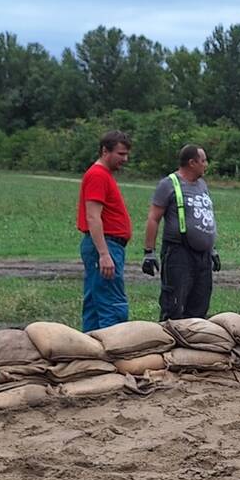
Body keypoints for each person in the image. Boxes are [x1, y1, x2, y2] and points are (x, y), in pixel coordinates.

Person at [141, 145, 219, 320]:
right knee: (174, 304)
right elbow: (153, 218)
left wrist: (212, 248)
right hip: (178, 253)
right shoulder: (168, 184)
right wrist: (149, 252)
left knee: (200, 305)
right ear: (192, 163)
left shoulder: (202, 185)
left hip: (203, 256)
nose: (206, 164)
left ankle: (192, 345)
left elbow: (206, 216)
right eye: (204, 160)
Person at [77, 130, 133, 332]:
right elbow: (93, 216)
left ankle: (90, 349)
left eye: (126, 154)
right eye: (120, 154)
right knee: (112, 304)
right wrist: (104, 254)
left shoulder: (102, 175)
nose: (124, 159)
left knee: (95, 302)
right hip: (106, 245)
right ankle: (115, 352)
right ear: (104, 151)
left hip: (105, 245)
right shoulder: (98, 176)